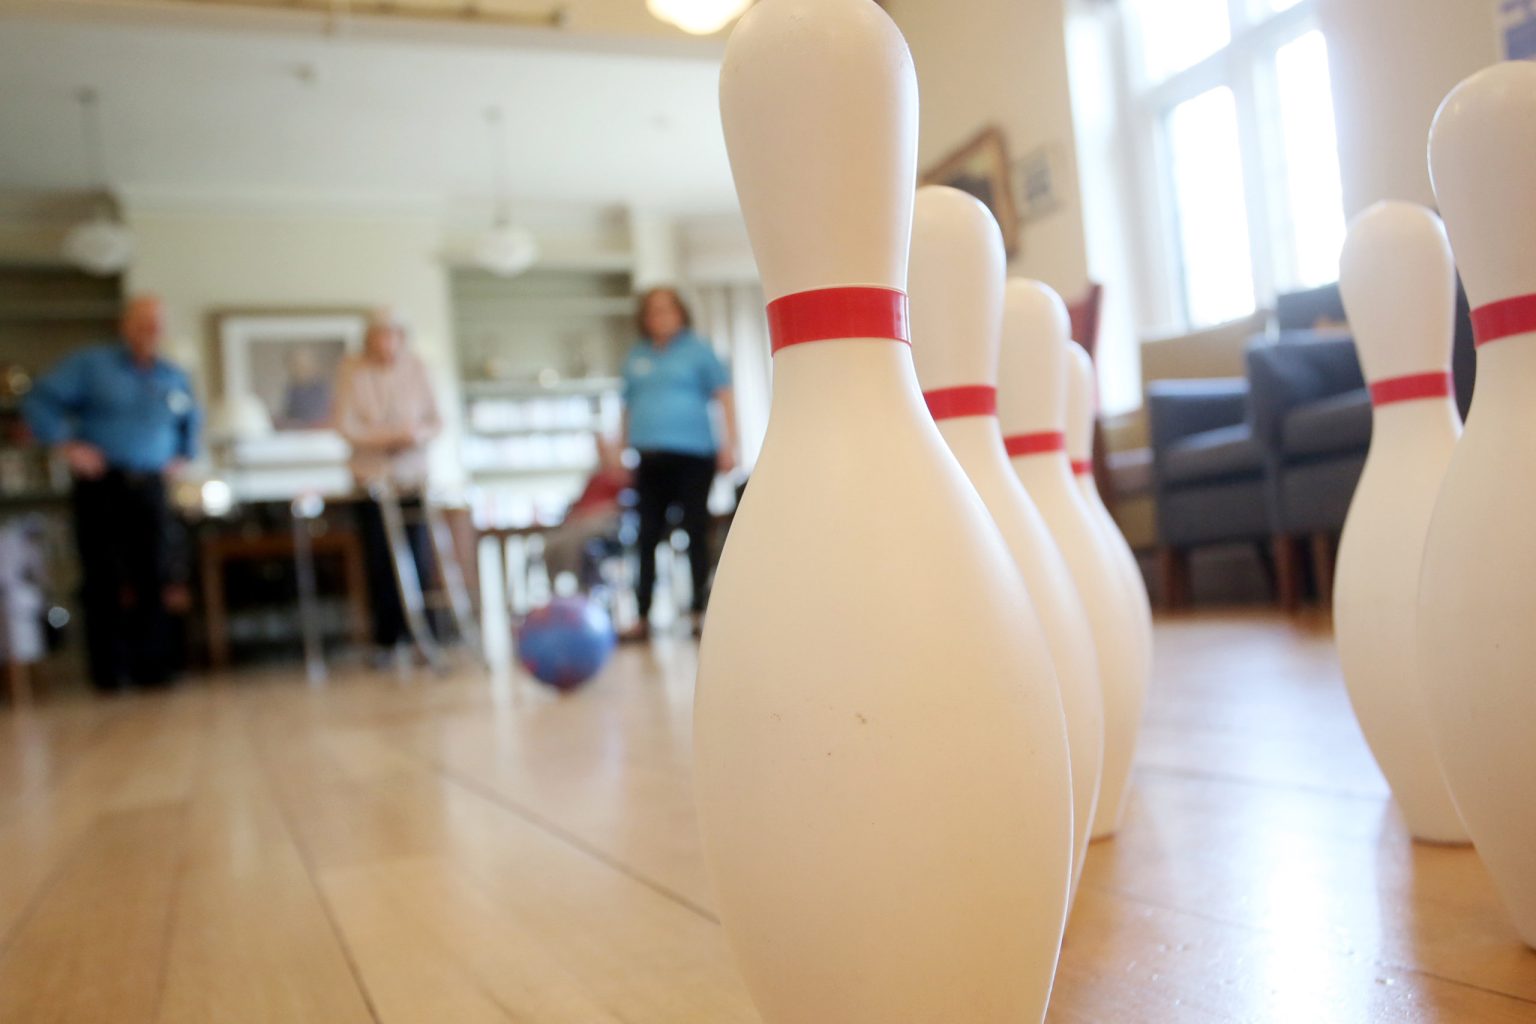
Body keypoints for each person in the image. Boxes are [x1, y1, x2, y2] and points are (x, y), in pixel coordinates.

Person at [23, 294, 199, 691]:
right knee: (103, 576)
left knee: (155, 573)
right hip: (103, 486)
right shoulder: (91, 365)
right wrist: (67, 445)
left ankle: (154, 667)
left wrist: (183, 454)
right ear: (126, 325)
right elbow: (40, 401)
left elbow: (191, 419)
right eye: (142, 322)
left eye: (156, 323)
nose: (150, 330)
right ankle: (110, 672)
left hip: (150, 486)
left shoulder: (173, 375)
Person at [620, 287, 737, 641]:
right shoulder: (636, 355)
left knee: (695, 532)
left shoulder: (699, 351)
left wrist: (730, 444)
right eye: (652, 311)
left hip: (693, 456)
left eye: (666, 309)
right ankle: (642, 615)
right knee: (646, 536)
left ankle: (700, 611)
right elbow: (627, 406)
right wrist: (621, 448)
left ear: (681, 313)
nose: (659, 317)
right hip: (649, 458)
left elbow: (724, 396)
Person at [333, 312, 443, 658]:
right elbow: (345, 425)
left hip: (411, 479)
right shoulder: (352, 371)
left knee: (419, 554)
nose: (385, 343)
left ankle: (424, 635)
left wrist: (414, 436)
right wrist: (386, 438)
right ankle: (388, 639)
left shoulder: (417, 369)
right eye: (378, 336)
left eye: (391, 335)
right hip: (372, 480)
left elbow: (436, 420)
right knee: (380, 560)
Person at [541, 434, 632, 591]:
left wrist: (596, 511)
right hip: (578, 521)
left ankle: (579, 589)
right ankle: (554, 590)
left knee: (576, 541)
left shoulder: (623, 477)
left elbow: (624, 504)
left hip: (602, 524)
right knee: (551, 543)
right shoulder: (595, 478)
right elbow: (579, 502)